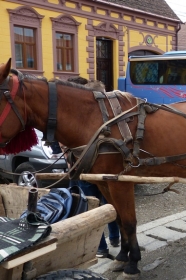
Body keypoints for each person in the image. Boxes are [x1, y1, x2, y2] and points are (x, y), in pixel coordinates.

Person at [65, 76, 120, 258]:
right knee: (107, 203)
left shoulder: (74, 115)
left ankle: (103, 245)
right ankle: (112, 239)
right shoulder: (107, 112)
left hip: (85, 169)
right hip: (95, 168)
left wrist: (69, 160)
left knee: (94, 206)